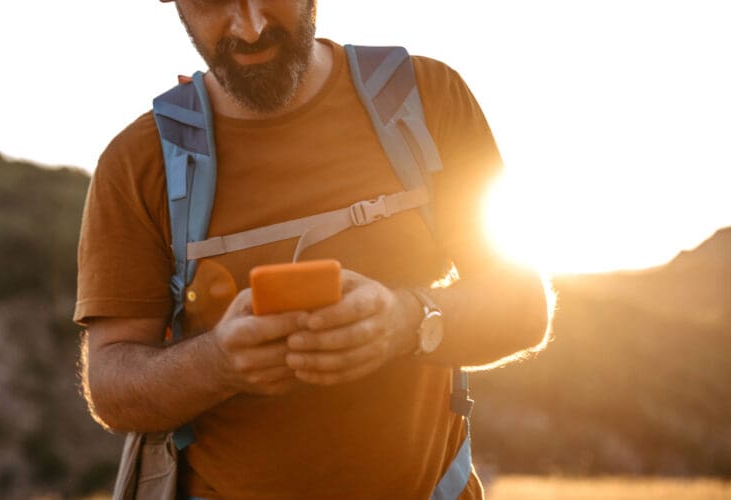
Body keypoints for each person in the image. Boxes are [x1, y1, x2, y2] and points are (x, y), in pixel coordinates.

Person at [74, 0, 552, 498]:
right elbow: (111, 387)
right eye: (213, 1)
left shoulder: (428, 98)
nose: (251, 27)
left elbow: (524, 307)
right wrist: (218, 362)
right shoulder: (136, 163)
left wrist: (403, 322)